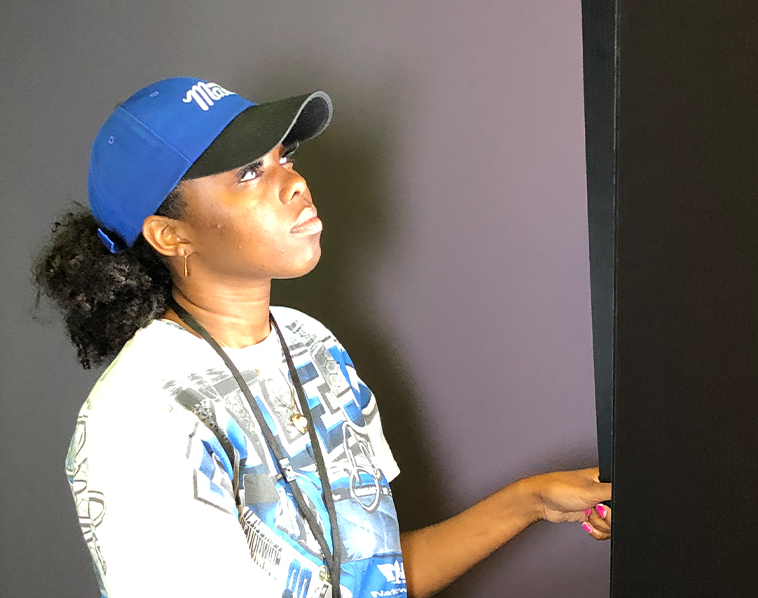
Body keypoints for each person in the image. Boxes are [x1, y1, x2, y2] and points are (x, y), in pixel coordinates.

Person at [35, 77, 612, 598]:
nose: (295, 182)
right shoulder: (140, 414)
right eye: (249, 174)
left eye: (283, 157)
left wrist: (531, 501)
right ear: (170, 234)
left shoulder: (310, 343)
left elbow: (370, 578)